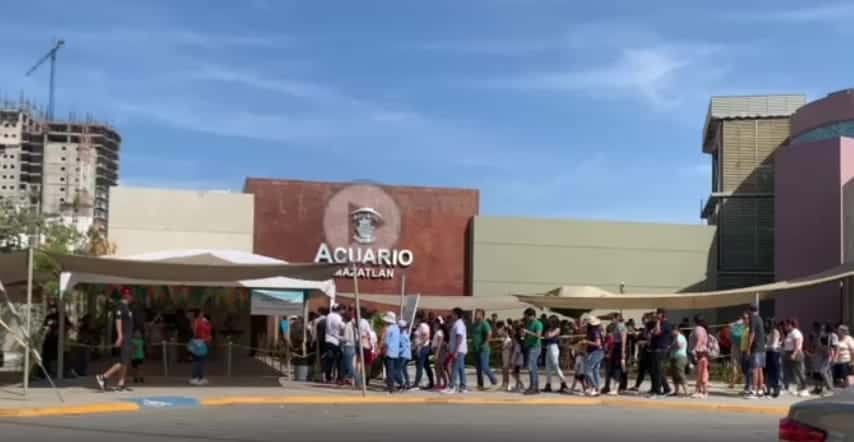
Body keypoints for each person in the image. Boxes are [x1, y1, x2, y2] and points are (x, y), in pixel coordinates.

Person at [96, 288, 135, 392]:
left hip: (129, 336)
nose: (132, 297)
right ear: (126, 295)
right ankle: (104, 377)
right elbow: (118, 320)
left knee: (125, 361)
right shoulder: (120, 306)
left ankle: (121, 383)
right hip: (124, 336)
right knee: (122, 361)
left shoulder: (128, 307)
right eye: (131, 295)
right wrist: (120, 335)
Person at [443, 307, 468, 394]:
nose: (451, 315)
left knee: (454, 368)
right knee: (460, 369)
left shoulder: (459, 324)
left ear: (456, 315)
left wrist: (456, 351)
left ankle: (452, 386)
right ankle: (463, 386)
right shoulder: (457, 323)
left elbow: (459, 337)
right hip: (459, 349)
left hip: (459, 350)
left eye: (452, 314)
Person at [649, 308, 673, 398]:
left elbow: (657, 332)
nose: (656, 316)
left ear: (662, 314)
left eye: (658, 314)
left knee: (657, 372)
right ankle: (667, 389)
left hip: (661, 350)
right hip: (656, 350)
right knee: (657, 371)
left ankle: (657, 392)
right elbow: (651, 333)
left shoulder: (666, 324)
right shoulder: (660, 324)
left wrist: (658, 322)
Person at [472, 309, 498, 391]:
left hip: (484, 349)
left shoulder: (484, 323)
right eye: (475, 313)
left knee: (484, 367)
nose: (476, 315)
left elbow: (489, 333)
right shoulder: (474, 324)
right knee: (478, 368)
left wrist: (485, 343)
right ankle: (480, 385)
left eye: (478, 314)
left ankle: (494, 381)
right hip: (476, 349)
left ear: (482, 315)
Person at [782, 318, 809, 397]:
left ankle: (805, 388)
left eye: (787, 325)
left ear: (791, 325)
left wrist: (794, 354)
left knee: (800, 371)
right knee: (794, 372)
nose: (785, 327)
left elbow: (797, 345)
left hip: (796, 353)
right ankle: (799, 388)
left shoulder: (796, 333)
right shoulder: (790, 333)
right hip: (788, 353)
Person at [519, 308, 543, 395]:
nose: (526, 318)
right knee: (533, 368)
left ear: (532, 315)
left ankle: (533, 387)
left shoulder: (538, 324)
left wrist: (527, 332)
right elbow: (525, 335)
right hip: (529, 347)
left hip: (535, 347)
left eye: (527, 316)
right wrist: (523, 333)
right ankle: (535, 387)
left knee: (531, 366)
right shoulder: (528, 323)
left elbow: (538, 335)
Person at [541, 315, 568, 393]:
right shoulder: (549, 329)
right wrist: (547, 333)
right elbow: (546, 336)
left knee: (555, 365)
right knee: (548, 367)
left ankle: (563, 383)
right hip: (548, 347)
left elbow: (549, 336)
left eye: (551, 321)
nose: (549, 322)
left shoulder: (557, 329)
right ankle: (548, 384)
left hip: (554, 347)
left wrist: (548, 333)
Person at [602, 313, 627, 396]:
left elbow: (623, 339)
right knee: (613, 368)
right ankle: (615, 387)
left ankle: (616, 388)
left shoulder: (621, 326)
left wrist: (622, 352)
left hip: (619, 347)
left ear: (617, 318)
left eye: (613, 318)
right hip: (615, 347)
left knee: (617, 368)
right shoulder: (615, 326)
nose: (611, 320)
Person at [746, 304, 766, 399]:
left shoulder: (753, 319)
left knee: (754, 369)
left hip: (756, 348)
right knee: (760, 369)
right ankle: (760, 390)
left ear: (750, 311)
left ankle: (753, 390)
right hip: (762, 348)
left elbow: (752, 334)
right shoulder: (760, 318)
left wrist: (748, 348)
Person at [582, 317, 604, 397]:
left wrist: (586, 342)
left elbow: (597, 343)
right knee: (595, 371)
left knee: (587, 370)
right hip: (599, 352)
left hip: (596, 352)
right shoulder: (596, 331)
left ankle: (595, 388)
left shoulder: (594, 332)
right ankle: (597, 388)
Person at [814, 323, 838, 396]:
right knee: (827, 372)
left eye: (824, 327)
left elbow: (836, 347)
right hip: (821, 355)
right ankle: (829, 389)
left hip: (829, 355)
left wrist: (835, 357)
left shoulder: (833, 335)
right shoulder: (822, 335)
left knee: (823, 371)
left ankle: (830, 388)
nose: (822, 328)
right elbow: (818, 345)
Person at [189, 312, 212, 386]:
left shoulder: (195, 322)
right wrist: (207, 338)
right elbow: (204, 332)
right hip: (201, 343)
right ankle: (197, 378)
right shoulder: (201, 323)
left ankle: (198, 377)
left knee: (197, 361)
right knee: (200, 361)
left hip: (197, 342)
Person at [381, 312, 402, 393]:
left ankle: (390, 387)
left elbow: (385, 342)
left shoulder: (387, 329)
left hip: (388, 351)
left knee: (389, 370)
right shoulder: (397, 328)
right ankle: (391, 385)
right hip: (395, 352)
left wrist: (383, 351)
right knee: (392, 369)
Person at [412, 313, 434, 390]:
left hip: (423, 348)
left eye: (416, 318)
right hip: (420, 347)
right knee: (425, 365)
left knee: (420, 366)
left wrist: (419, 346)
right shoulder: (419, 326)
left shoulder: (423, 326)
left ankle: (416, 384)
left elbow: (426, 336)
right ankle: (431, 382)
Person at [689, 315, 709, 399]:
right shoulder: (703, 329)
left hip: (699, 353)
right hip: (703, 353)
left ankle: (703, 391)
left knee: (701, 372)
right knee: (701, 372)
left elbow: (700, 339)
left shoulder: (698, 329)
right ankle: (699, 390)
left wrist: (694, 350)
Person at [324, 304, 344, 383]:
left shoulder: (328, 316)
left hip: (328, 340)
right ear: (338, 310)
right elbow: (341, 327)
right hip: (335, 340)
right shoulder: (338, 317)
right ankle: (339, 377)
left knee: (329, 359)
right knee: (339, 359)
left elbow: (328, 327)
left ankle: (328, 377)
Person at [669, 326, 689, 397]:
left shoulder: (680, 337)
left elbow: (679, 345)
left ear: (676, 330)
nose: (671, 332)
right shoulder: (675, 338)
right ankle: (676, 391)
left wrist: (671, 346)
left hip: (680, 357)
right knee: (674, 375)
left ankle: (686, 392)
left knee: (680, 374)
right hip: (674, 357)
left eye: (672, 331)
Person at [765, 318, 783, 398]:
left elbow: (774, 345)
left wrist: (765, 347)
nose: (767, 325)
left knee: (775, 372)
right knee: (769, 372)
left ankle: (776, 390)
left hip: (774, 353)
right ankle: (768, 389)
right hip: (769, 353)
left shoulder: (775, 332)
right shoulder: (769, 332)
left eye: (768, 323)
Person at [339, 310, 356, 385]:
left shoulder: (347, 326)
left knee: (349, 366)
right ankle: (344, 379)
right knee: (344, 364)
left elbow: (346, 338)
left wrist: (337, 337)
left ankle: (358, 380)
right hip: (352, 346)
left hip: (348, 346)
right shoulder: (352, 325)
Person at [432, 316, 448, 390]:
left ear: (438, 324)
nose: (434, 324)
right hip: (437, 350)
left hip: (439, 351)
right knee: (437, 368)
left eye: (435, 323)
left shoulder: (439, 332)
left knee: (439, 368)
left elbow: (439, 343)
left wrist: (437, 353)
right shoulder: (438, 332)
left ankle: (444, 383)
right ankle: (439, 383)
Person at [510, 323, 526, 392]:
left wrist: (514, 361)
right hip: (518, 359)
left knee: (514, 373)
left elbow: (517, 353)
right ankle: (517, 385)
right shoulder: (519, 342)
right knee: (516, 373)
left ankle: (521, 384)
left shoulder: (518, 343)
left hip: (517, 360)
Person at [498, 321, 513, 391]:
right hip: (504, 357)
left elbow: (508, 348)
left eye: (504, 331)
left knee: (507, 372)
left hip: (507, 358)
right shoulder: (504, 339)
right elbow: (502, 348)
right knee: (504, 371)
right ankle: (504, 383)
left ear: (507, 332)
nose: (502, 333)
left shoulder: (509, 340)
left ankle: (508, 384)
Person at [398, 320, 412, 388]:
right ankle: (408, 383)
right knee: (404, 369)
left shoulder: (402, 335)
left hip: (403, 355)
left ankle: (402, 384)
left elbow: (403, 347)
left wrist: (397, 351)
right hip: (407, 355)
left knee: (399, 369)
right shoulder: (404, 334)